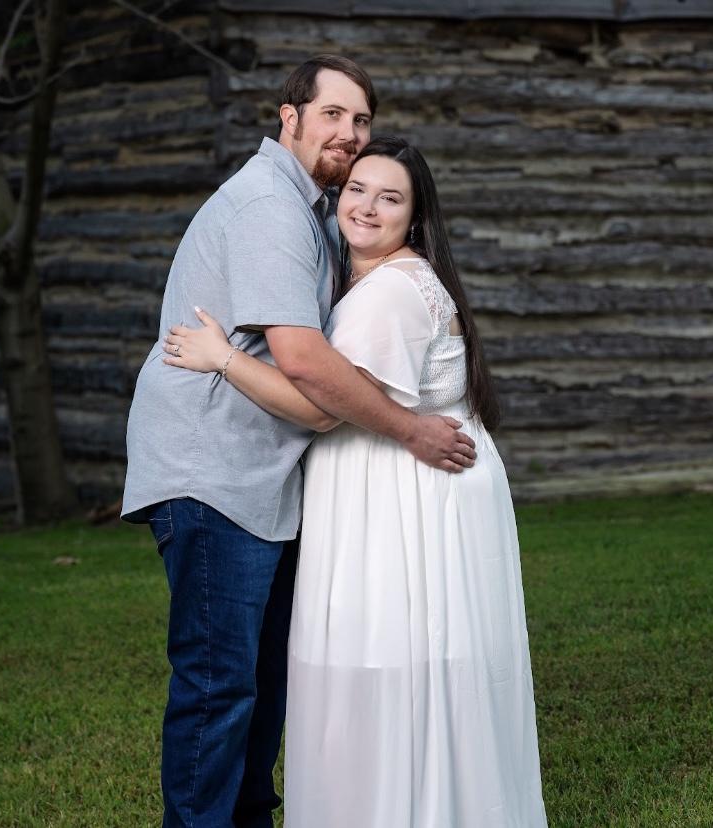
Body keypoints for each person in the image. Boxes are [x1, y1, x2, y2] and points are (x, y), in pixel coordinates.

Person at [121, 56, 476, 828]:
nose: (349, 133)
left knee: (260, 681)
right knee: (219, 685)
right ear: (290, 117)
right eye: (332, 114)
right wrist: (411, 429)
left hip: (261, 476)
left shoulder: (313, 205)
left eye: (361, 120)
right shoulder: (269, 207)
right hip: (214, 472)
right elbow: (308, 365)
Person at [162, 137, 549, 826]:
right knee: (421, 665)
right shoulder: (382, 282)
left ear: (415, 215)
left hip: (400, 501)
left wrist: (224, 358)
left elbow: (320, 406)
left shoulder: (388, 295)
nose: (366, 207)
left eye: (389, 197)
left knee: (384, 665)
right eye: (358, 190)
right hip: (411, 490)